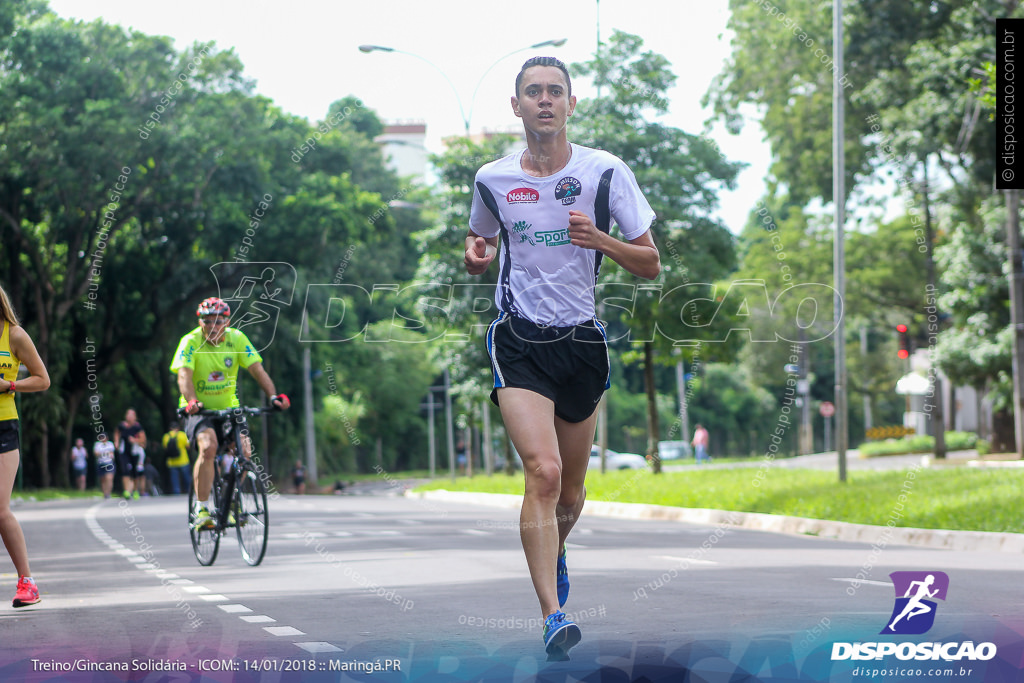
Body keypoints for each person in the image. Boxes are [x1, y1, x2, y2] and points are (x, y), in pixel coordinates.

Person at [464, 56, 659, 660]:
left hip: (581, 343)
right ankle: (553, 616)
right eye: (533, 92)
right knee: (542, 473)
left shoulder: (605, 172)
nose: (544, 101)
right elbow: (483, 244)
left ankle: (556, 546)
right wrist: (476, 260)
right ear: (515, 106)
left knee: (571, 497)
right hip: (518, 338)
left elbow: (650, 264)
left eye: (555, 92)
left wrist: (600, 239)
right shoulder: (491, 180)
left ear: (571, 105)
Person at [171, 297, 289, 529]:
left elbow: (257, 370)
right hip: (198, 409)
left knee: (244, 451)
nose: (213, 327)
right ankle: (202, 507)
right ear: (200, 321)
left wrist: (273, 396)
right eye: (208, 321)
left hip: (229, 408)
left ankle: (231, 500)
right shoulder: (190, 341)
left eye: (218, 321)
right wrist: (191, 401)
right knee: (208, 447)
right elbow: (183, 375)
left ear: (227, 322)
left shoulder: (237, 339)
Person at [0, 283, 50, 606]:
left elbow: (42, 379)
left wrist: (10, 384)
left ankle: (26, 582)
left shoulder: (14, 335)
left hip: (3, 427)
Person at [113, 408, 147, 499]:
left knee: (135, 472)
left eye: (131, 415)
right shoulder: (122, 425)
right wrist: (116, 441)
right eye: (128, 414)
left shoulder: (137, 427)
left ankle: (135, 490)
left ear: (135, 417)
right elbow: (116, 433)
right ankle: (127, 491)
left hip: (134, 451)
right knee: (125, 470)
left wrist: (134, 440)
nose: (129, 417)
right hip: (123, 451)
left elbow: (143, 439)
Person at [162, 422, 191, 495]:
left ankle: (176, 493)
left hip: (171, 462)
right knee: (186, 478)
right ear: (178, 428)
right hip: (183, 460)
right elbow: (188, 446)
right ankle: (189, 491)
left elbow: (165, 448)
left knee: (174, 479)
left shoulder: (166, 436)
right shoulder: (182, 434)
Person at [94, 434, 116, 499]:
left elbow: (111, 453)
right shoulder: (97, 444)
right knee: (103, 479)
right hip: (101, 463)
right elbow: (96, 453)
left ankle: (108, 493)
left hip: (109, 463)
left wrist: (102, 453)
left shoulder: (110, 444)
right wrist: (105, 453)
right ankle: (105, 493)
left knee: (109, 478)